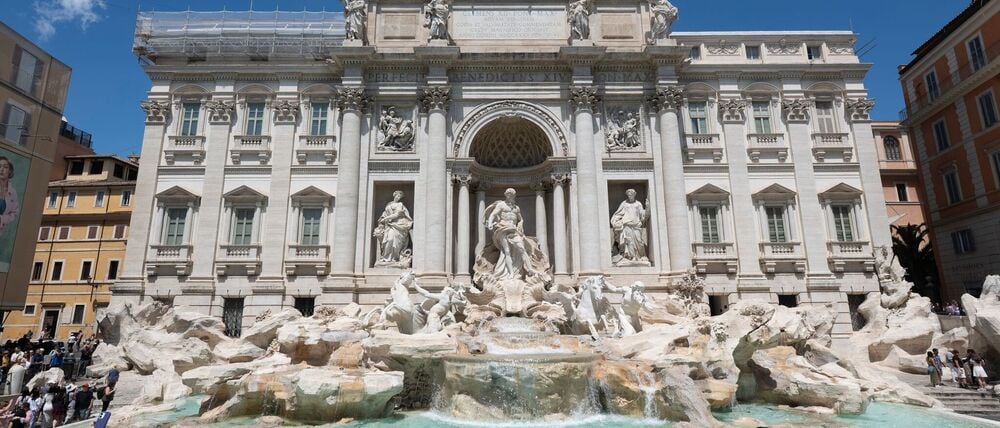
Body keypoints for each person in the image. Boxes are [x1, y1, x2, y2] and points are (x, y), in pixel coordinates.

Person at [0, 156, 21, 236]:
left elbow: (14, 213)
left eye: (5, 167)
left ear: (9, 171)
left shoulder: (12, 193)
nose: (1, 169)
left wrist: (2, 219)